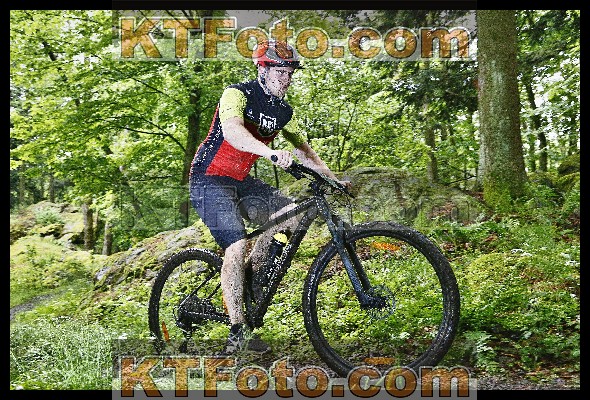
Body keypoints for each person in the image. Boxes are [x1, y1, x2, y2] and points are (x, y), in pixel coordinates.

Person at [189, 40, 350, 355]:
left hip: (241, 181)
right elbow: (233, 131)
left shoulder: (283, 112)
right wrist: (270, 152)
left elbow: (305, 153)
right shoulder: (236, 94)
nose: (286, 79)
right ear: (262, 69)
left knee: (290, 215)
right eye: (279, 72)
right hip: (208, 179)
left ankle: (251, 277)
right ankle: (238, 331)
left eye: (289, 73)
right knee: (236, 245)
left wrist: (333, 180)